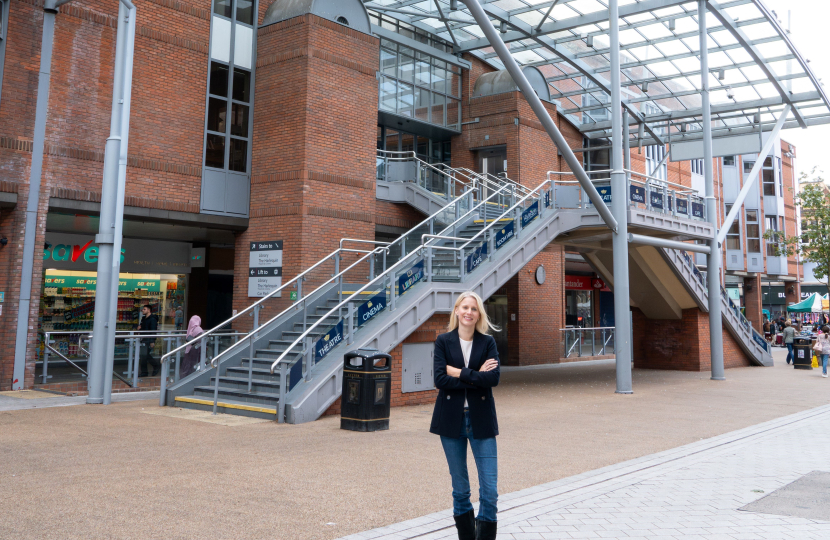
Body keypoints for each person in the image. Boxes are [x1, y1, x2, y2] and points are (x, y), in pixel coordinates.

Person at [430, 291, 500, 540]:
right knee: (460, 491)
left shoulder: (487, 343)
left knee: (489, 492)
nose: (469, 312)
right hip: (451, 421)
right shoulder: (443, 341)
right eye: (465, 307)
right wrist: (474, 375)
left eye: (474, 308)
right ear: (457, 311)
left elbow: (493, 378)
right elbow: (439, 379)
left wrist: (459, 372)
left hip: (481, 420)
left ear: (478, 314)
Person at [137, 304, 160, 377]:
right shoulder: (143, 319)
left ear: (149, 310)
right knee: (143, 355)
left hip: (149, 340)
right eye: (143, 309)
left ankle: (156, 366)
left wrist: (152, 341)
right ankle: (145, 372)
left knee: (145, 355)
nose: (142, 310)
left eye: (144, 309)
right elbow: (142, 327)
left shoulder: (153, 319)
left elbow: (153, 330)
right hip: (143, 339)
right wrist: (139, 328)